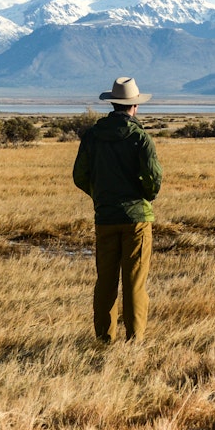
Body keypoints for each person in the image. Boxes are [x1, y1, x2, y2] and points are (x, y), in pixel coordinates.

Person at [72, 77, 163, 343]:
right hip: (137, 220)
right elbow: (154, 181)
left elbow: (80, 175)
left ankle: (104, 339)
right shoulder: (141, 138)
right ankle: (135, 340)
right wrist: (143, 197)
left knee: (105, 282)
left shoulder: (92, 136)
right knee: (135, 283)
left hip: (105, 217)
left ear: (112, 103)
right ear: (134, 105)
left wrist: (101, 196)